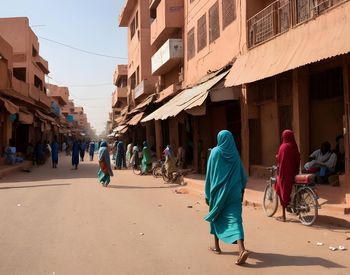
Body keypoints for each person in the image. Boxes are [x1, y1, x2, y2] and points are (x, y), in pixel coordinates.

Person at [205, 130, 249, 265]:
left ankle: (217, 247)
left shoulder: (215, 152)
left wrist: (207, 193)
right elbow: (243, 175)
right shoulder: (235, 154)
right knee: (235, 219)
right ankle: (241, 249)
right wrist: (241, 191)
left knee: (216, 216)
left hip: (218, 192)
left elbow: (209, 174)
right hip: (234, 192)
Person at [275, 130, 300, 222]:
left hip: (285, 173)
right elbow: (297, 158)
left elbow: (281, 160)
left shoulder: (283, 147)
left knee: (279, 188)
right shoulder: (294, 145)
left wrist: (278, 157)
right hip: (295, 172)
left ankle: (283, 215)